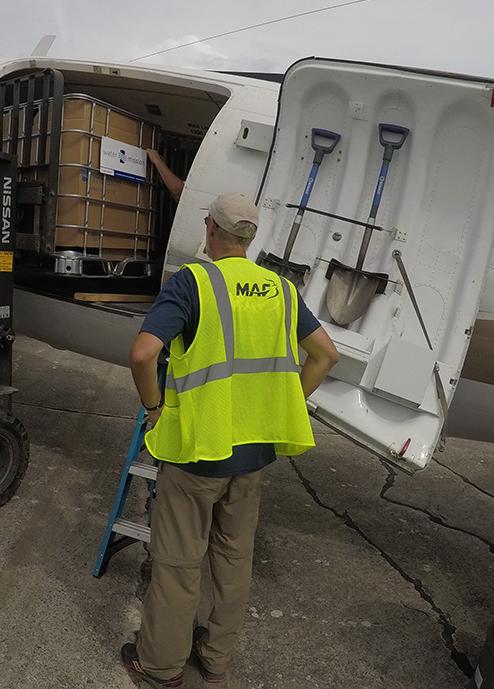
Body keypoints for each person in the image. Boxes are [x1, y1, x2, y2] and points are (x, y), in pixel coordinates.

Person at [120, 193, 339, 688]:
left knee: (178, 563)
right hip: (252, 456)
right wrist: (282, 406)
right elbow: (326, 355)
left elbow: (142, 354)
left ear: (211, 228)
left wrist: (155, 409)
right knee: (234, 560)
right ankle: (215, 659)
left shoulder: (192, 282)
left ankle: (160, 667)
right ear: (251, 237)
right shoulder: (281, 289)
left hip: (197, 453)